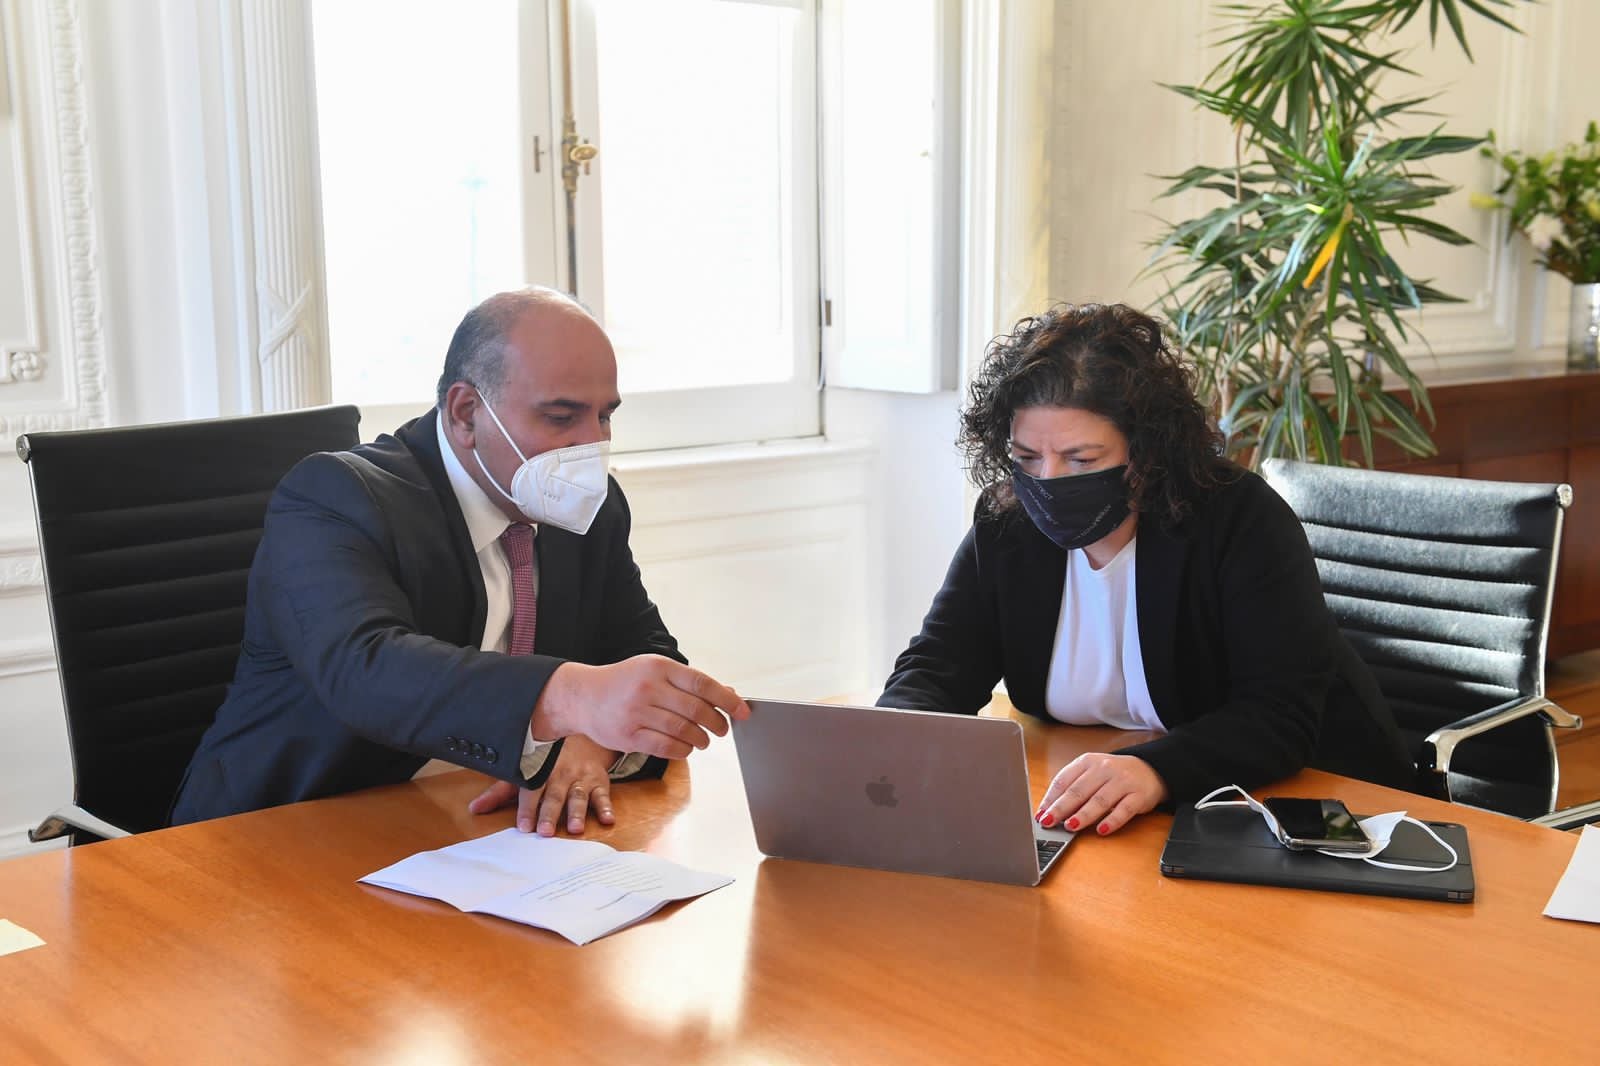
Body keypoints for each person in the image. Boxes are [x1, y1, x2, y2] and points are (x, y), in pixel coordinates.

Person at [171, 287, 749, 832]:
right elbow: (366, 668)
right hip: (276, 834)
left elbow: (646, 660)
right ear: (467, 412)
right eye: (560, 416)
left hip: (463, 827)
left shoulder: (584, 506)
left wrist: (591, 741)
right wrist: (573, 699)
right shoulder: (336, 497)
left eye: (604, 416)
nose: (589, 445)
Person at [876, 303, 1413, 837]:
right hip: (1114, 816)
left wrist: (1156, 770)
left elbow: (1279, 715)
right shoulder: (1008, 523)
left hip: (1305, 813)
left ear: (1146, 451)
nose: (1048, 480)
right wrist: (891, 740)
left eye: (1082, 460)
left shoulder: (1240, 519)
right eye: (1026, 458)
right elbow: (938, 665)